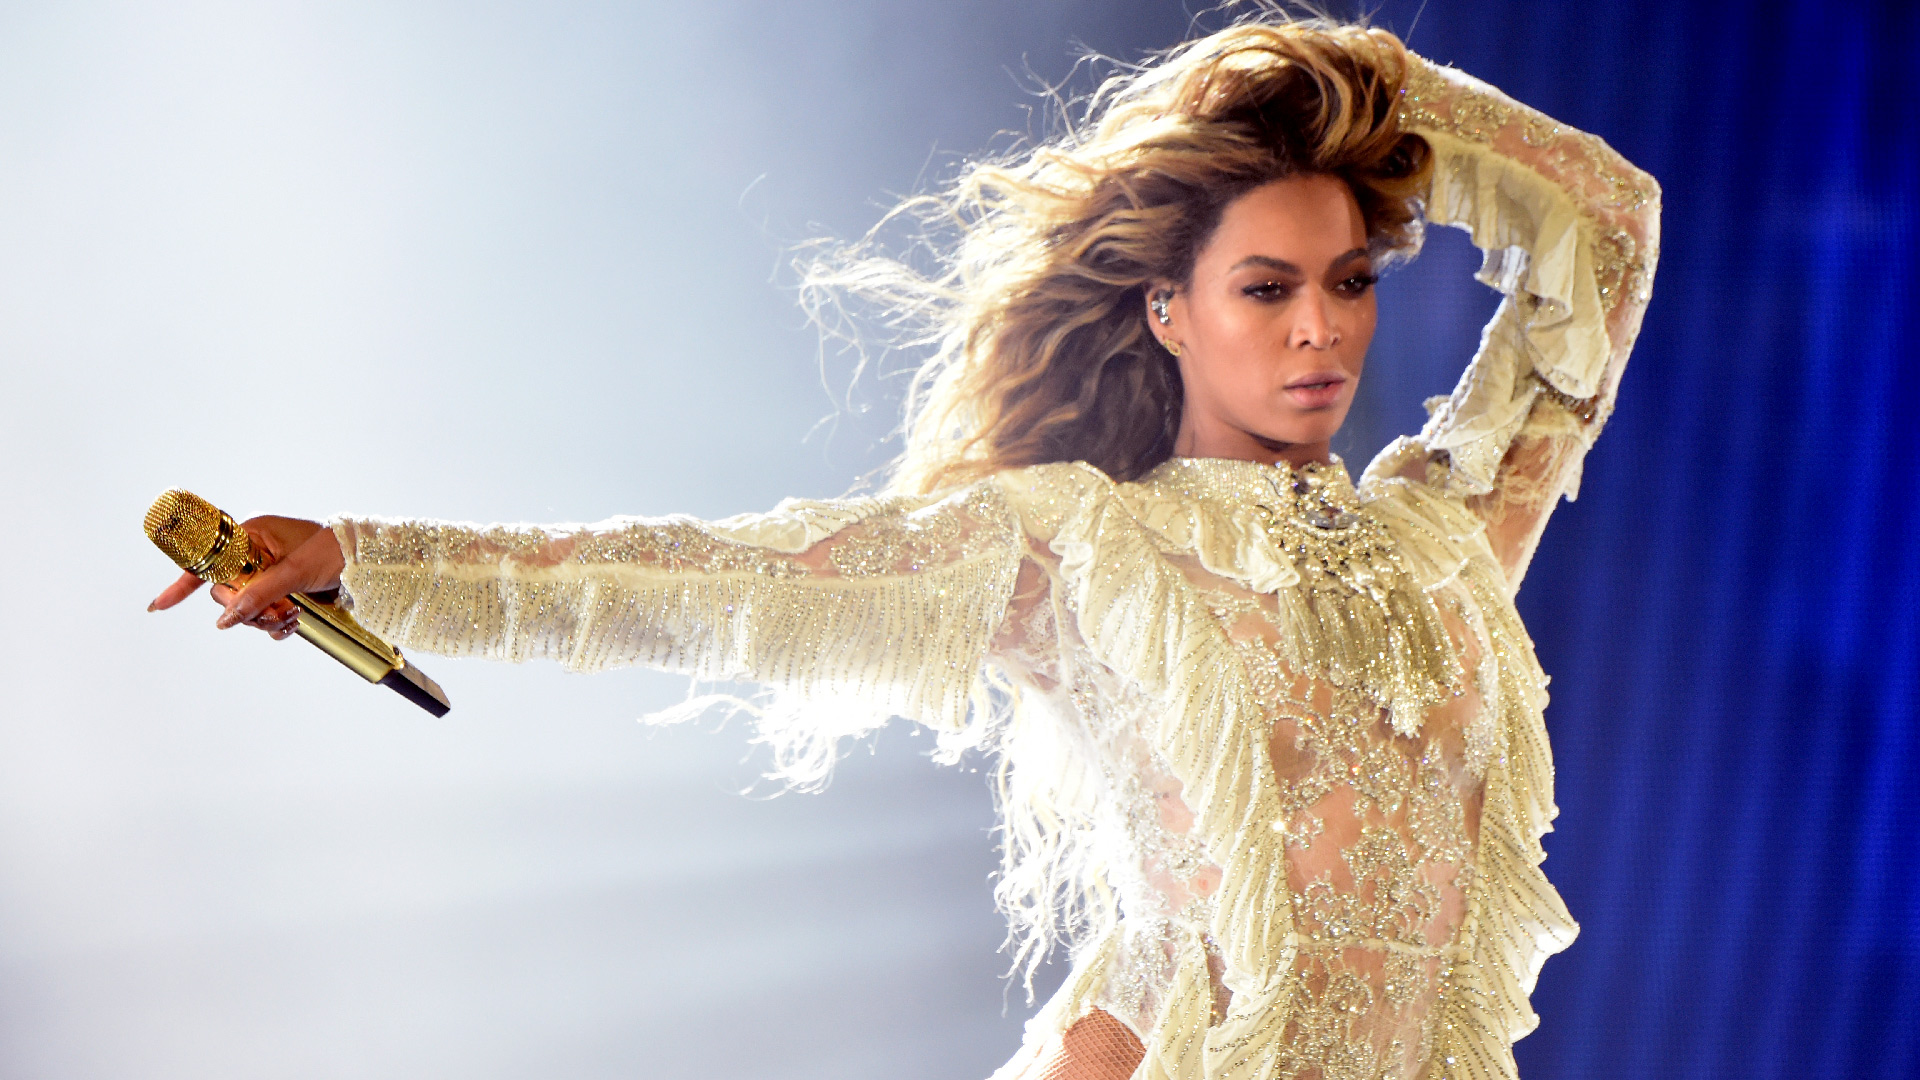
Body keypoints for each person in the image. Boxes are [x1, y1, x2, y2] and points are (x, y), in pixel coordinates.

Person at [148, 16, 1659, 1080]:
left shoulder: (1447, 540)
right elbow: (717, 583)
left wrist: (1348, 81)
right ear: (1165, 309)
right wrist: (373, 559)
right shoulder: (1080, 542)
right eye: (1265, 287)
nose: (1321, 328)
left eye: (1346, 281)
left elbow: (1608, 224)